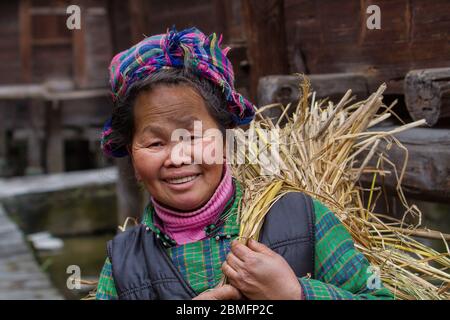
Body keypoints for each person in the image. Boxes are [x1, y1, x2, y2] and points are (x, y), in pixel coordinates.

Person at [96, 27, 393, 300]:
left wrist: (294, 293)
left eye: (193, 136)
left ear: (228, 141)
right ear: (132, 158)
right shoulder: (123, 264)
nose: (177, 158)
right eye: (155, 143)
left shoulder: (300, 218)